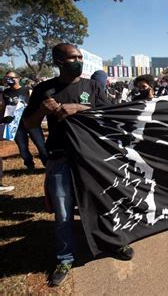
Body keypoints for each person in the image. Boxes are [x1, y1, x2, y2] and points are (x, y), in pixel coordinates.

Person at [23, 43, 134, 287]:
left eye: (80, 57)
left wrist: (79, 108)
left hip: (91, 157)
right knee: (63, 213)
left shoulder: (92, 86)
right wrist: (42, 110)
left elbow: (110, 115)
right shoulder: (44, 89)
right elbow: (28, 125)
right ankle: (65, 258)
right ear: (59, 62)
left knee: (103, 203)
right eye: (73, 57)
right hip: (60, 158)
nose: (78, 61)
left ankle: (114, 242)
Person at [1, 71, 48, 171]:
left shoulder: (27, 90)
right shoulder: (5, 93)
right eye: (7, 77)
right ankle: (29, 165)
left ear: (18, 78)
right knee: (22, 148)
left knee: (41, 145)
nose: (9, 79)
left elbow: (36, 104)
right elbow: (4, 107)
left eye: (11, 77)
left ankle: (47, 164)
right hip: (15, 124)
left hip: (31, 122)